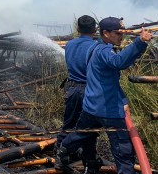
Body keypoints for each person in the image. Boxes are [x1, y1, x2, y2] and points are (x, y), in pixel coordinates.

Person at [56, 17, 152, 174]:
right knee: (123, 152)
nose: (121, 36)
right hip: (108, 109)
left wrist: (123, 99)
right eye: (118, 33)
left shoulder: (92, 48)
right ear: (104, 33)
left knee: (81, 133)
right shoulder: (103, 50)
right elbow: (118, 62)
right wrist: (139, 42)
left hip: (90, 105)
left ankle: (65, 150)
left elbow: (106, 80)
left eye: (123, 32)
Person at [55, 15, 98, 151]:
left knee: (68, 123)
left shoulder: (70, 44)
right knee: (89, 127)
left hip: (72, 89)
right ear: (95, 29)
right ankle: (87, 157)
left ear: (78, 28)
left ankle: (59, 148)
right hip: (89, 91)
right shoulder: (96, 47)